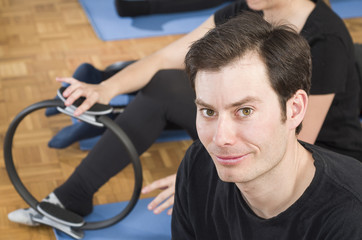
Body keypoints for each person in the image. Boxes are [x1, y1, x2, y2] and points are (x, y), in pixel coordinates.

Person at [8, 0, 362, 226]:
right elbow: (167, 57)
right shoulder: (248, 12)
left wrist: (215, 173)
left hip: (316, 152)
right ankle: (73, 196)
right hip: (254, 131)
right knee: (164, 83)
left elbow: (299, 141)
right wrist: (107, 87)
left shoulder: (326, 38)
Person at [172, 11, 362, 239]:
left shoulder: (351, 217)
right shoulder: (198, 166)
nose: (221, 138)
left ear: (295, 109)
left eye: (245, 111)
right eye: (208, 111)